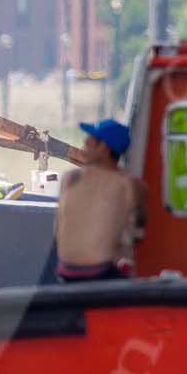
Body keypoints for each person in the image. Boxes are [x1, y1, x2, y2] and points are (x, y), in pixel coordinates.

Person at [53, 119, 145, 282]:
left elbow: (57, 232)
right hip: (101, 274)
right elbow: (137, 235)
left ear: (103, 148)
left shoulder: (70, 178)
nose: (84, 144)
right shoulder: (130, 184)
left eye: (90, 141)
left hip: (64, 272)